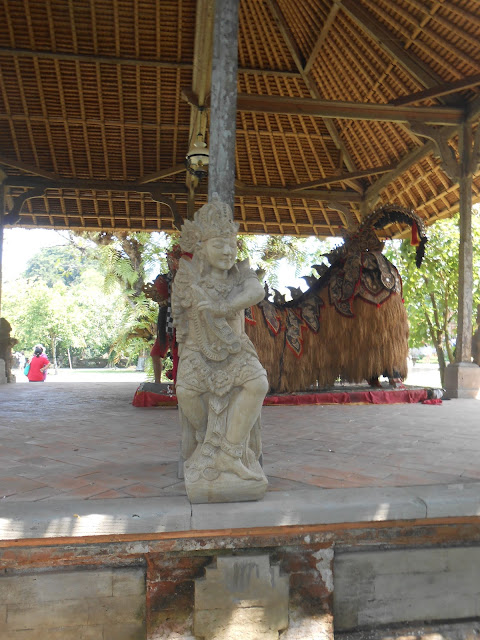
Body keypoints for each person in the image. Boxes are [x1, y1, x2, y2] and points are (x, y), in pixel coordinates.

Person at [171, 197, 268, 492]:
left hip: (235, 349)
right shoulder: (189, 276)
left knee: (258, 383)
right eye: (219, 245)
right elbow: (181, 319)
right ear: (202, 248)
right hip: (199, 350)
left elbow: (256, 291)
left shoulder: (241, 274)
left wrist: (224, 307)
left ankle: (230, 453)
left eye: (232, 245)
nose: (228, 251)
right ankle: (207, 441)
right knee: (186, 391)